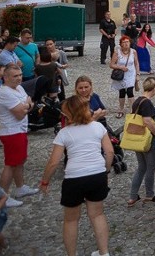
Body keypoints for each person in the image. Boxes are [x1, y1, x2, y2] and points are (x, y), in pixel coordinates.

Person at [40, 95, 113, 256]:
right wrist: (106, 170)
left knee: (71, 219)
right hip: (97, 174)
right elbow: (109, 152)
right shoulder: (98, 127)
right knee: (98, 215)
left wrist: (45, 181)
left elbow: (53, 162)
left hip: (74, 177)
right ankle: (104, 252)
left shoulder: (64, 133)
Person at [0, 65, 38, 207]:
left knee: (20, 160)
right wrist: (27, 105)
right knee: (11, 164)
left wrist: (25, 105)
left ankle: (20, 187)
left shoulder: (19, 88)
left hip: (20, 130)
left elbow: (29, 102)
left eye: (20, 75)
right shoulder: (5, 92)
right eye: (15, 76)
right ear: (6, 77)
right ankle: (3, 196)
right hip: (11, 132)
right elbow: (20, 114)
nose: (19, 78)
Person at [127, 77, 155, 206]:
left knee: (141, 167)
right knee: (151, 167)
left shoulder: (137, 101)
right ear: (154, 89)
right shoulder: (147, 103)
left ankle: (133, 195)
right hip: (147, 139)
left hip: (137, 138)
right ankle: (150, 194)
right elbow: (147, 121)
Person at [109, 36, 138, 118]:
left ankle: (132, 110)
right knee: (121, 92)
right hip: (120, 75)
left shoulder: (133, 52)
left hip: (131, 74)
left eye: (127, 42)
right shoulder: (117, 52)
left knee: (130, 91)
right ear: (121, 44)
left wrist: (138, 74)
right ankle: (121, 109)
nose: (126, 44)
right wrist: (121, 67)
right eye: (124, 42)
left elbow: (136, 63)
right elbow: (111, 64)